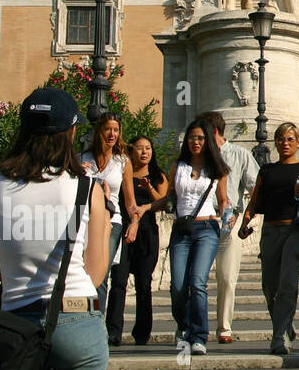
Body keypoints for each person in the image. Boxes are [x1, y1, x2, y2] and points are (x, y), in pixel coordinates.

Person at [0, 87, 111, 370]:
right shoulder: (87, 188)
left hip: (17, 327)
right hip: (78, 318)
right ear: (70, 133)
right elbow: (95, 275)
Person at [239, 122, 299, 355]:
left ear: (298, 143)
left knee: (288, 283)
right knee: (269, 286)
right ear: (275, 142)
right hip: (270, 231)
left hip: (295, 230)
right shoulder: (267, 170)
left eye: (290, 139)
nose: (285, 143)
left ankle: (279, 337)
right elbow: (255, 200)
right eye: (281, 139)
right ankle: (285, 323)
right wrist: (245, 221)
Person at [168, 118, 231, 355]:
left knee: (197, 282)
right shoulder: (178, 166)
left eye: (201, 138)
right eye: (192, 137)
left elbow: (223, 201)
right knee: (178, 285)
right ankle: (183, 326)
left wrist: (228, 215)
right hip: (182, 229)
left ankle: (199, 336)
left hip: (207, 229)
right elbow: (170, 197)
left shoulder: (218, 170)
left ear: (208, 141)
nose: (196, 142)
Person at [197, 111, 260, 345]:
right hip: (200, 221)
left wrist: (249, 217)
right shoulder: (198, 156)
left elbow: (255, 186)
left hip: (228, 222)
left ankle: (224, 327)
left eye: (201, 133)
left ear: (212, 131)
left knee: (226, 277)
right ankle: (195, 326)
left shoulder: (240, 155)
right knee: (197, 279)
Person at [106, 135, 168, 347]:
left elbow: (163, 201)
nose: (144, 152)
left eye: (148, 148)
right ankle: (113, 332)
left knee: (144, 283)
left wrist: (148, 186)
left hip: (147, 232)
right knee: (119, 281)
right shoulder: (124, 172)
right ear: (132, 152)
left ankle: (142, 333)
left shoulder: (158, 175)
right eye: (140, 149)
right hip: (124, 230)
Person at [79, 113, 128, 321]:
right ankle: (84, 318)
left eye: (116, 130)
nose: (112, 134)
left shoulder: (122, 161)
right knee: (83, 272)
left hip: (112, 220)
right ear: (99, 130)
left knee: (101, 272)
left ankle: (96, 322)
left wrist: (134, 220)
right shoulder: (82, 158)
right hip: (85, 220)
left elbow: (130, 201)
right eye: (108, 129)